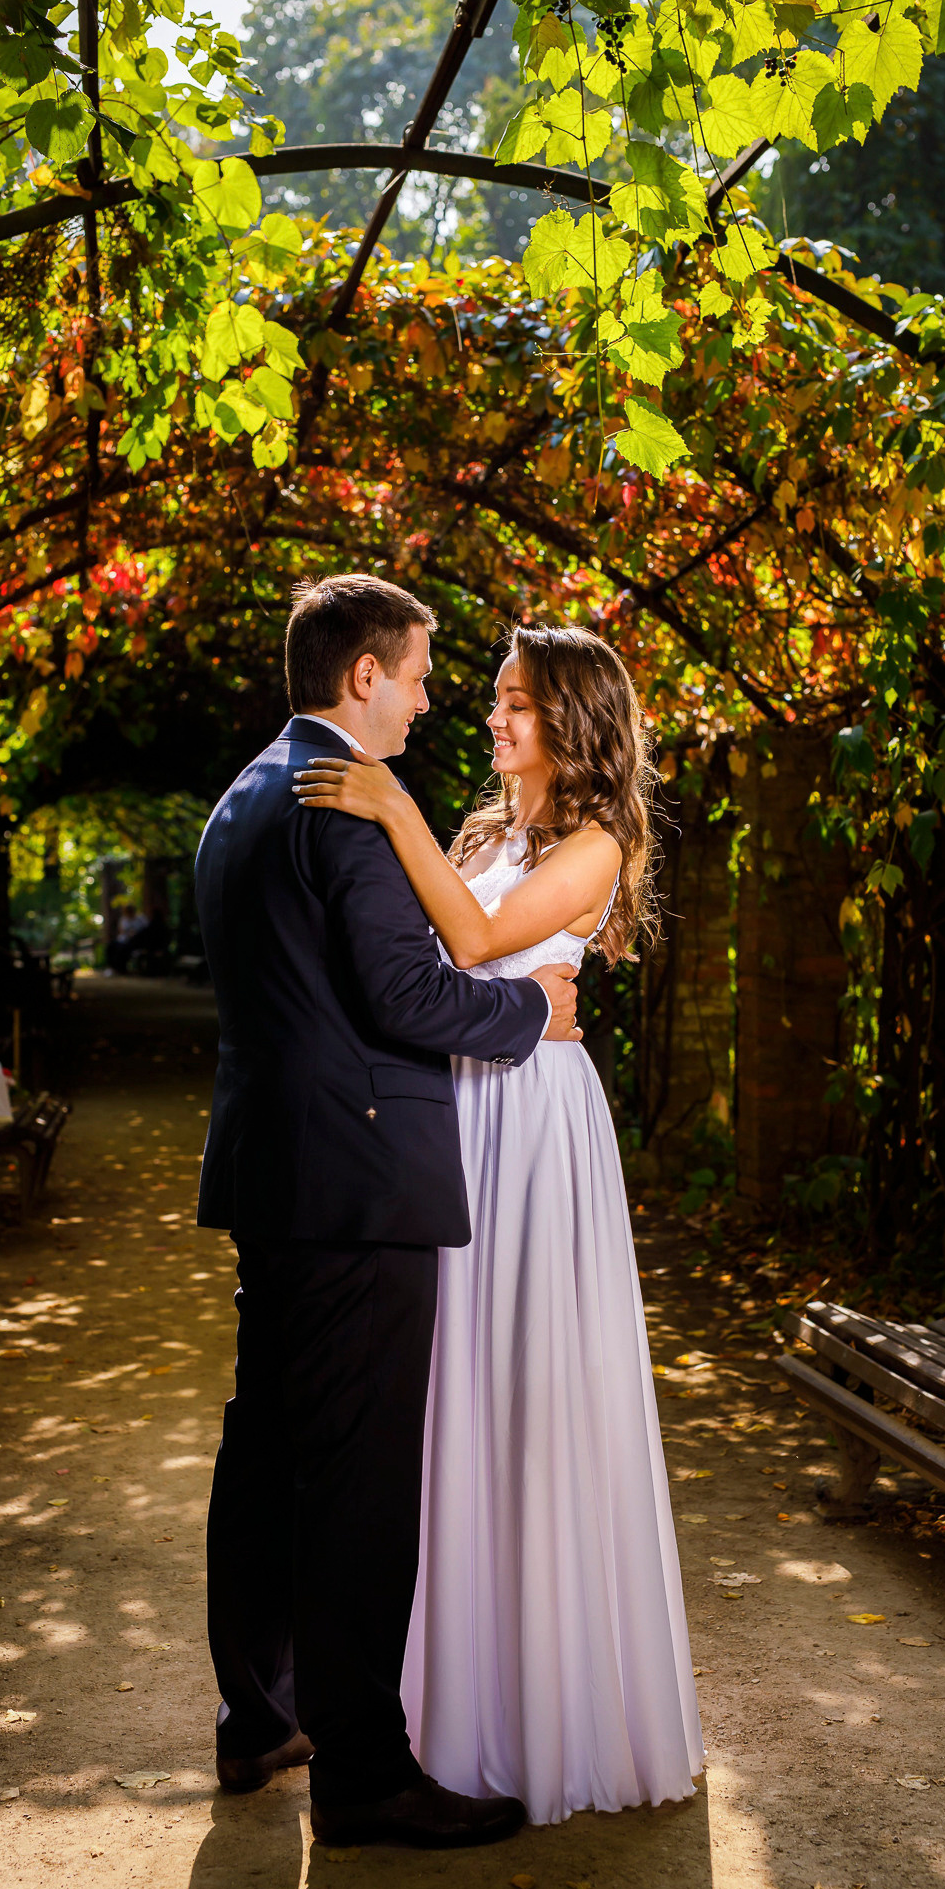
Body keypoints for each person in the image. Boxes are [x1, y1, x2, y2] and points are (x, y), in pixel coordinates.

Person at [194, 575, 582, 1850]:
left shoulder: (243, 796)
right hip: (358, 1187)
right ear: (362, 674)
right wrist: (533, 1016)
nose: (428, 698)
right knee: (357, 1477)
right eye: (417, 675)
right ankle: (363, 1775)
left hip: (273, 1176)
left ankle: (258, 1719)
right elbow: (405, 1003)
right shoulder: (344, 810)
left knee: (267, 1453)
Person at [294, 622, 705, 1826]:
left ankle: (545, 1713)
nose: (491, 719)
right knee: (446, 1394)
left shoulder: (598, 843)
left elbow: (473, 941)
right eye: (488, 700)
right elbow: (426, 967)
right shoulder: (484, 830)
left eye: (516, 704)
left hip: (532, 1128)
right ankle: (435, 1707)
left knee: (528, 1390)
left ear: (572, 719)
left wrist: (385, 804)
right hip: (454, 1109)